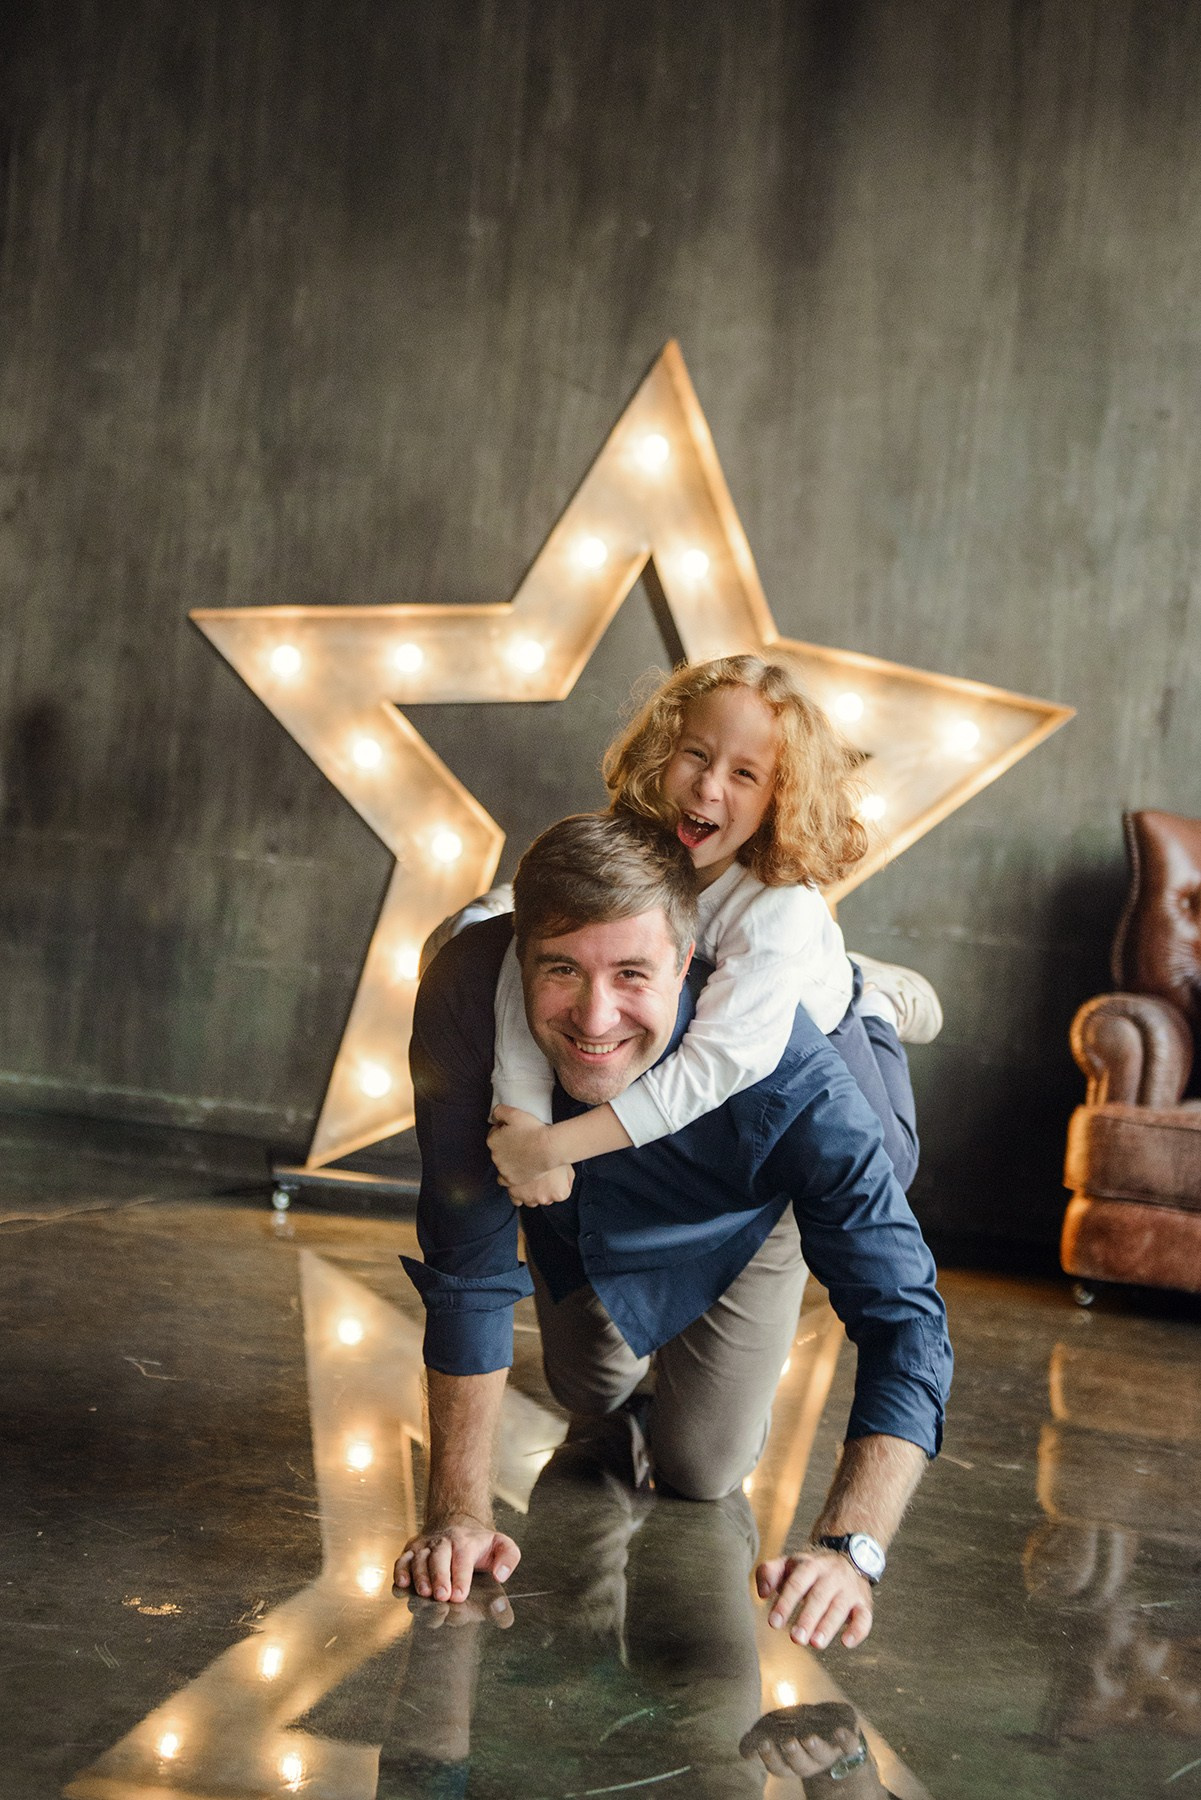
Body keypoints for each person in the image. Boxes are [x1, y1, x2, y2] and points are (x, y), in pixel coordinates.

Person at [394, 810, 952, 1657]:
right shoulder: (470, 994)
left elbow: (905, 1320)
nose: (594, 1016)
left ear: (685, 961)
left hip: (743, 1216)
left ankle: (860, 986)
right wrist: (456, 1516)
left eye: (630, 972)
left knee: (701, 1471)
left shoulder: (793, 1078)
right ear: (520, 962)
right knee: (587, 1393)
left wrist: (850, 1550)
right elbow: (467, 1262)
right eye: (560, 969)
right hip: (576, 1202)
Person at [484, 655, 940, 1209]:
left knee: (888, 1166)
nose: (708, 786)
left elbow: (722, 1060)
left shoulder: (778, 905)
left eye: (744, 774)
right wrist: (523, 1115)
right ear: (662, 753)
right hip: (732, 1001)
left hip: (821, 1016)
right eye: (695, 754)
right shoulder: (628, 850)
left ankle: (879, 1002)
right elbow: (528, 959)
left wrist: (552, 1148)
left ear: (781, 798)